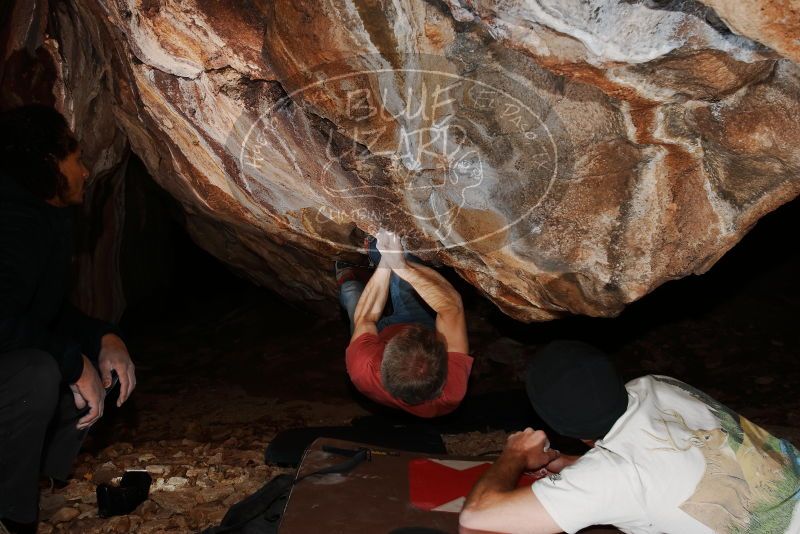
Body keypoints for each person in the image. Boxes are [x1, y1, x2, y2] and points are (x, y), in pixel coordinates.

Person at [459, 340, 800, 534]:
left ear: (557, 425)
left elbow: (476, 518)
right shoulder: (658, 384)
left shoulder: (610, 476)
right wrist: (568, 464)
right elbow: (662, 460)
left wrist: (515, 453)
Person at [0, 105, 137, 533]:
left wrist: (105, 338)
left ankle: (40, 473)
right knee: (39, 370)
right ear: (50, 164)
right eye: (76, 158)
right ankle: (11, 517)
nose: (86, 168)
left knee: (83, 365)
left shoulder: (44, 218)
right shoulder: (10, 220)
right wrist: (72, 361)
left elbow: (47, 312)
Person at [338, 229, 472, 418]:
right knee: (407, 265)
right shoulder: (452, 392)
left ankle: (351, 275)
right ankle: (385, 261)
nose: (411, 331)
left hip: (379, 334)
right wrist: (401, 265)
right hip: (419, 320)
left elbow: (366, 318)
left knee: (350, 292)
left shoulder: (363, 367)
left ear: (383, 359)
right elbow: (451, 306)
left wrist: (387, 261)